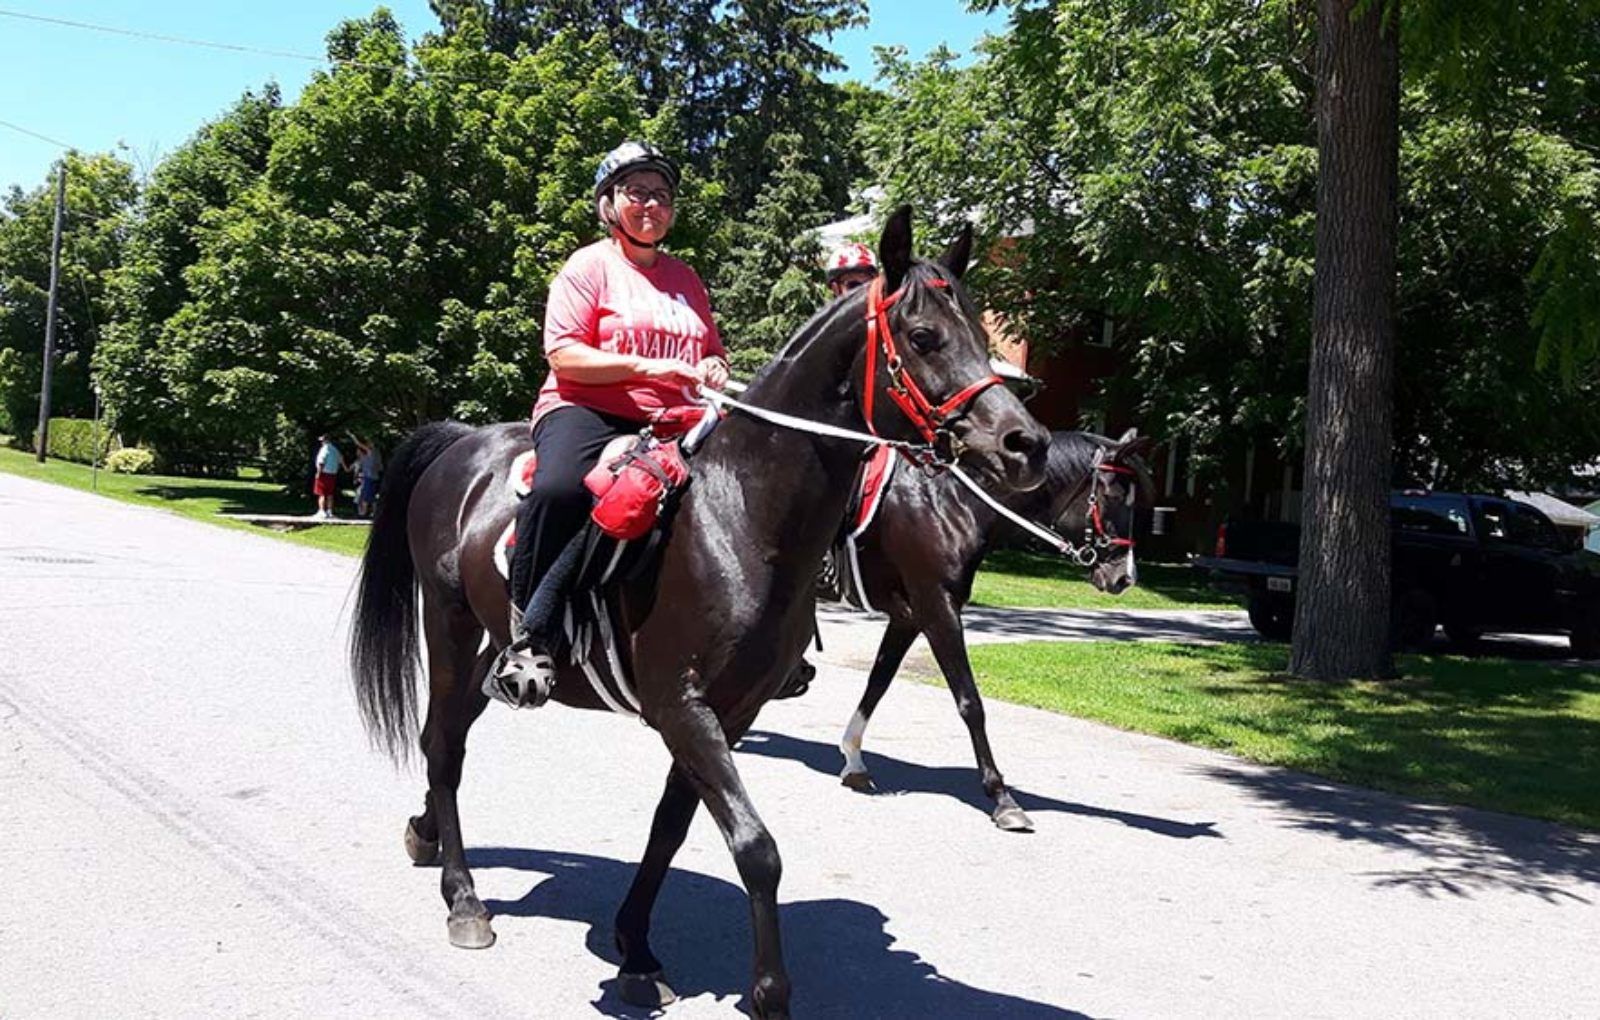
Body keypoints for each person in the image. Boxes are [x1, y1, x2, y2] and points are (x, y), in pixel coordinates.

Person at [488, 141, 730, 707]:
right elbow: (564, 355)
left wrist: (714, 365)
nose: (652, 204)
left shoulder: (686, 278)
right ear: (609, 204)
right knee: (559, 488)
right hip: (588, 409)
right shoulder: (588, 266)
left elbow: (711, 351)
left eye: (662, 195)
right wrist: (647, 365)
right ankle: (531, 637)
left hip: (677, 417)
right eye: (637, 192)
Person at [312, 434, 346, 520]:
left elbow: (321, 462)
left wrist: (318, 473)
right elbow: (340, 460)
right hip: (333, 474)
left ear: (325, 440)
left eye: (322, 441)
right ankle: (330, 511)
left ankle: (321, 511)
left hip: (324, 473)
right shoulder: (335, 450)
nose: (321, 442)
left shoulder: (324, 449)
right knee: (330, 494)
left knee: (321, 493)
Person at [353, 438, 383, 518]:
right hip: (374, 477)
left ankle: (363, 514)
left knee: (365, 497)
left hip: (369, 477)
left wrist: (352, 436)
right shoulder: (376, 453)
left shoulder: (371, 452)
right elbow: (380, 467)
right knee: (372, 497)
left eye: (368, 444)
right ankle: (374, 513)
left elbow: (359, 444)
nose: (367, 445)